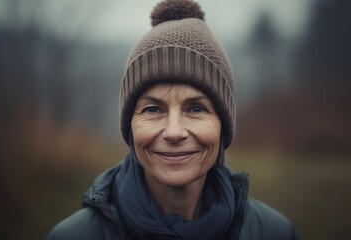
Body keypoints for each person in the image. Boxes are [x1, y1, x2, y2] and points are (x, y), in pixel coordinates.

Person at [46, 0, 300, 239]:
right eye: (153, 110)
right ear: (129, 126)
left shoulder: (274, 232)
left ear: (224, 123)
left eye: (197, 109)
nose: (174, 132)